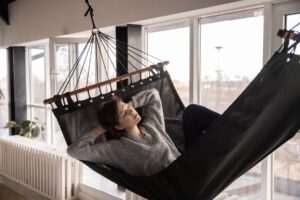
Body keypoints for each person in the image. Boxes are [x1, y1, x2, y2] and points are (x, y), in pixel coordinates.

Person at [67, 88, 220, 177]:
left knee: (192, 112)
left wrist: (129, 104)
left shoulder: (151, 124)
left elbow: (153, 94)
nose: (130, 111)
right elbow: (75, 151)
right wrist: (104, 127)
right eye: (124, 113)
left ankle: (236, 127)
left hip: (188, 165)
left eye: (128, 107)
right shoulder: (116, 149)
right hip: (175, 183)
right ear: (118, 126)